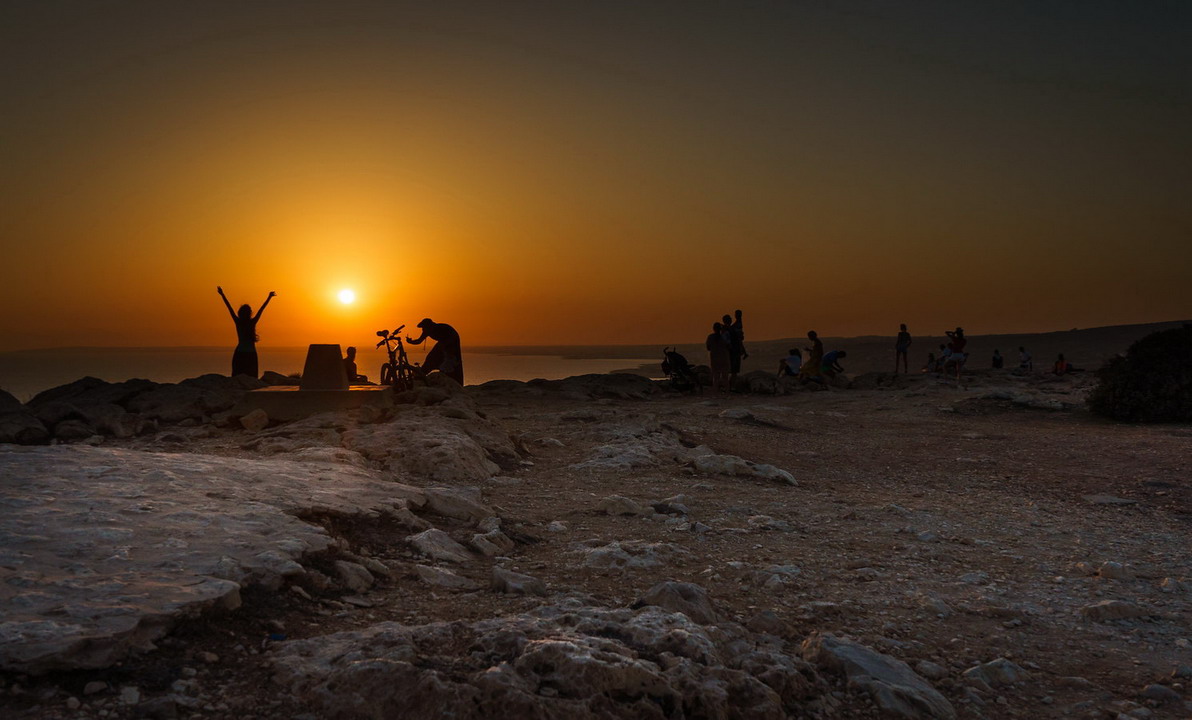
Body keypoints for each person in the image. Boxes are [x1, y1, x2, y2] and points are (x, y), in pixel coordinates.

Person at [217, 286, 274, 379]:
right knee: (251, 377)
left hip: (240, 353)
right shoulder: (252, 322)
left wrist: (222, 294)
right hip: (251, 354)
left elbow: (229, 307)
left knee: (238, 376)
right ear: (249, 313)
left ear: (240, 312)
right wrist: (269, 297)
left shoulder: (238, 322)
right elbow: (261, 309)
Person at [406, 318, 464, 385]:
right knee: (431, 357)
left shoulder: (440, 328)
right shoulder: (426, 331)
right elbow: (419, 341)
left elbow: (451, 338)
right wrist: (410, 341)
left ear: (430, 326)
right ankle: (422, 373)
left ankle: (451, 378)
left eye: (424, 328)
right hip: (442, 342)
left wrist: (445, 348)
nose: (423, 330)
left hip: (452, 341)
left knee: (451, 361)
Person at [706, 322, 731, 392]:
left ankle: (715, 391)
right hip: (724, 358)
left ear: (713, 329)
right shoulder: (724, 337)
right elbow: (729, 346)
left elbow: (708, 348)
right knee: (725, 377)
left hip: (714, 359)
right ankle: (727, 391)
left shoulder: (710, 337)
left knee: (715, 377)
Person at [723, 313, 744, 386]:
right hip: (733, 352)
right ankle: (731, 385)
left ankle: (729, 385)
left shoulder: (726, 330)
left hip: (731, 352)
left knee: (731, 370)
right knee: (734, 370)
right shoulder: (729, 330)